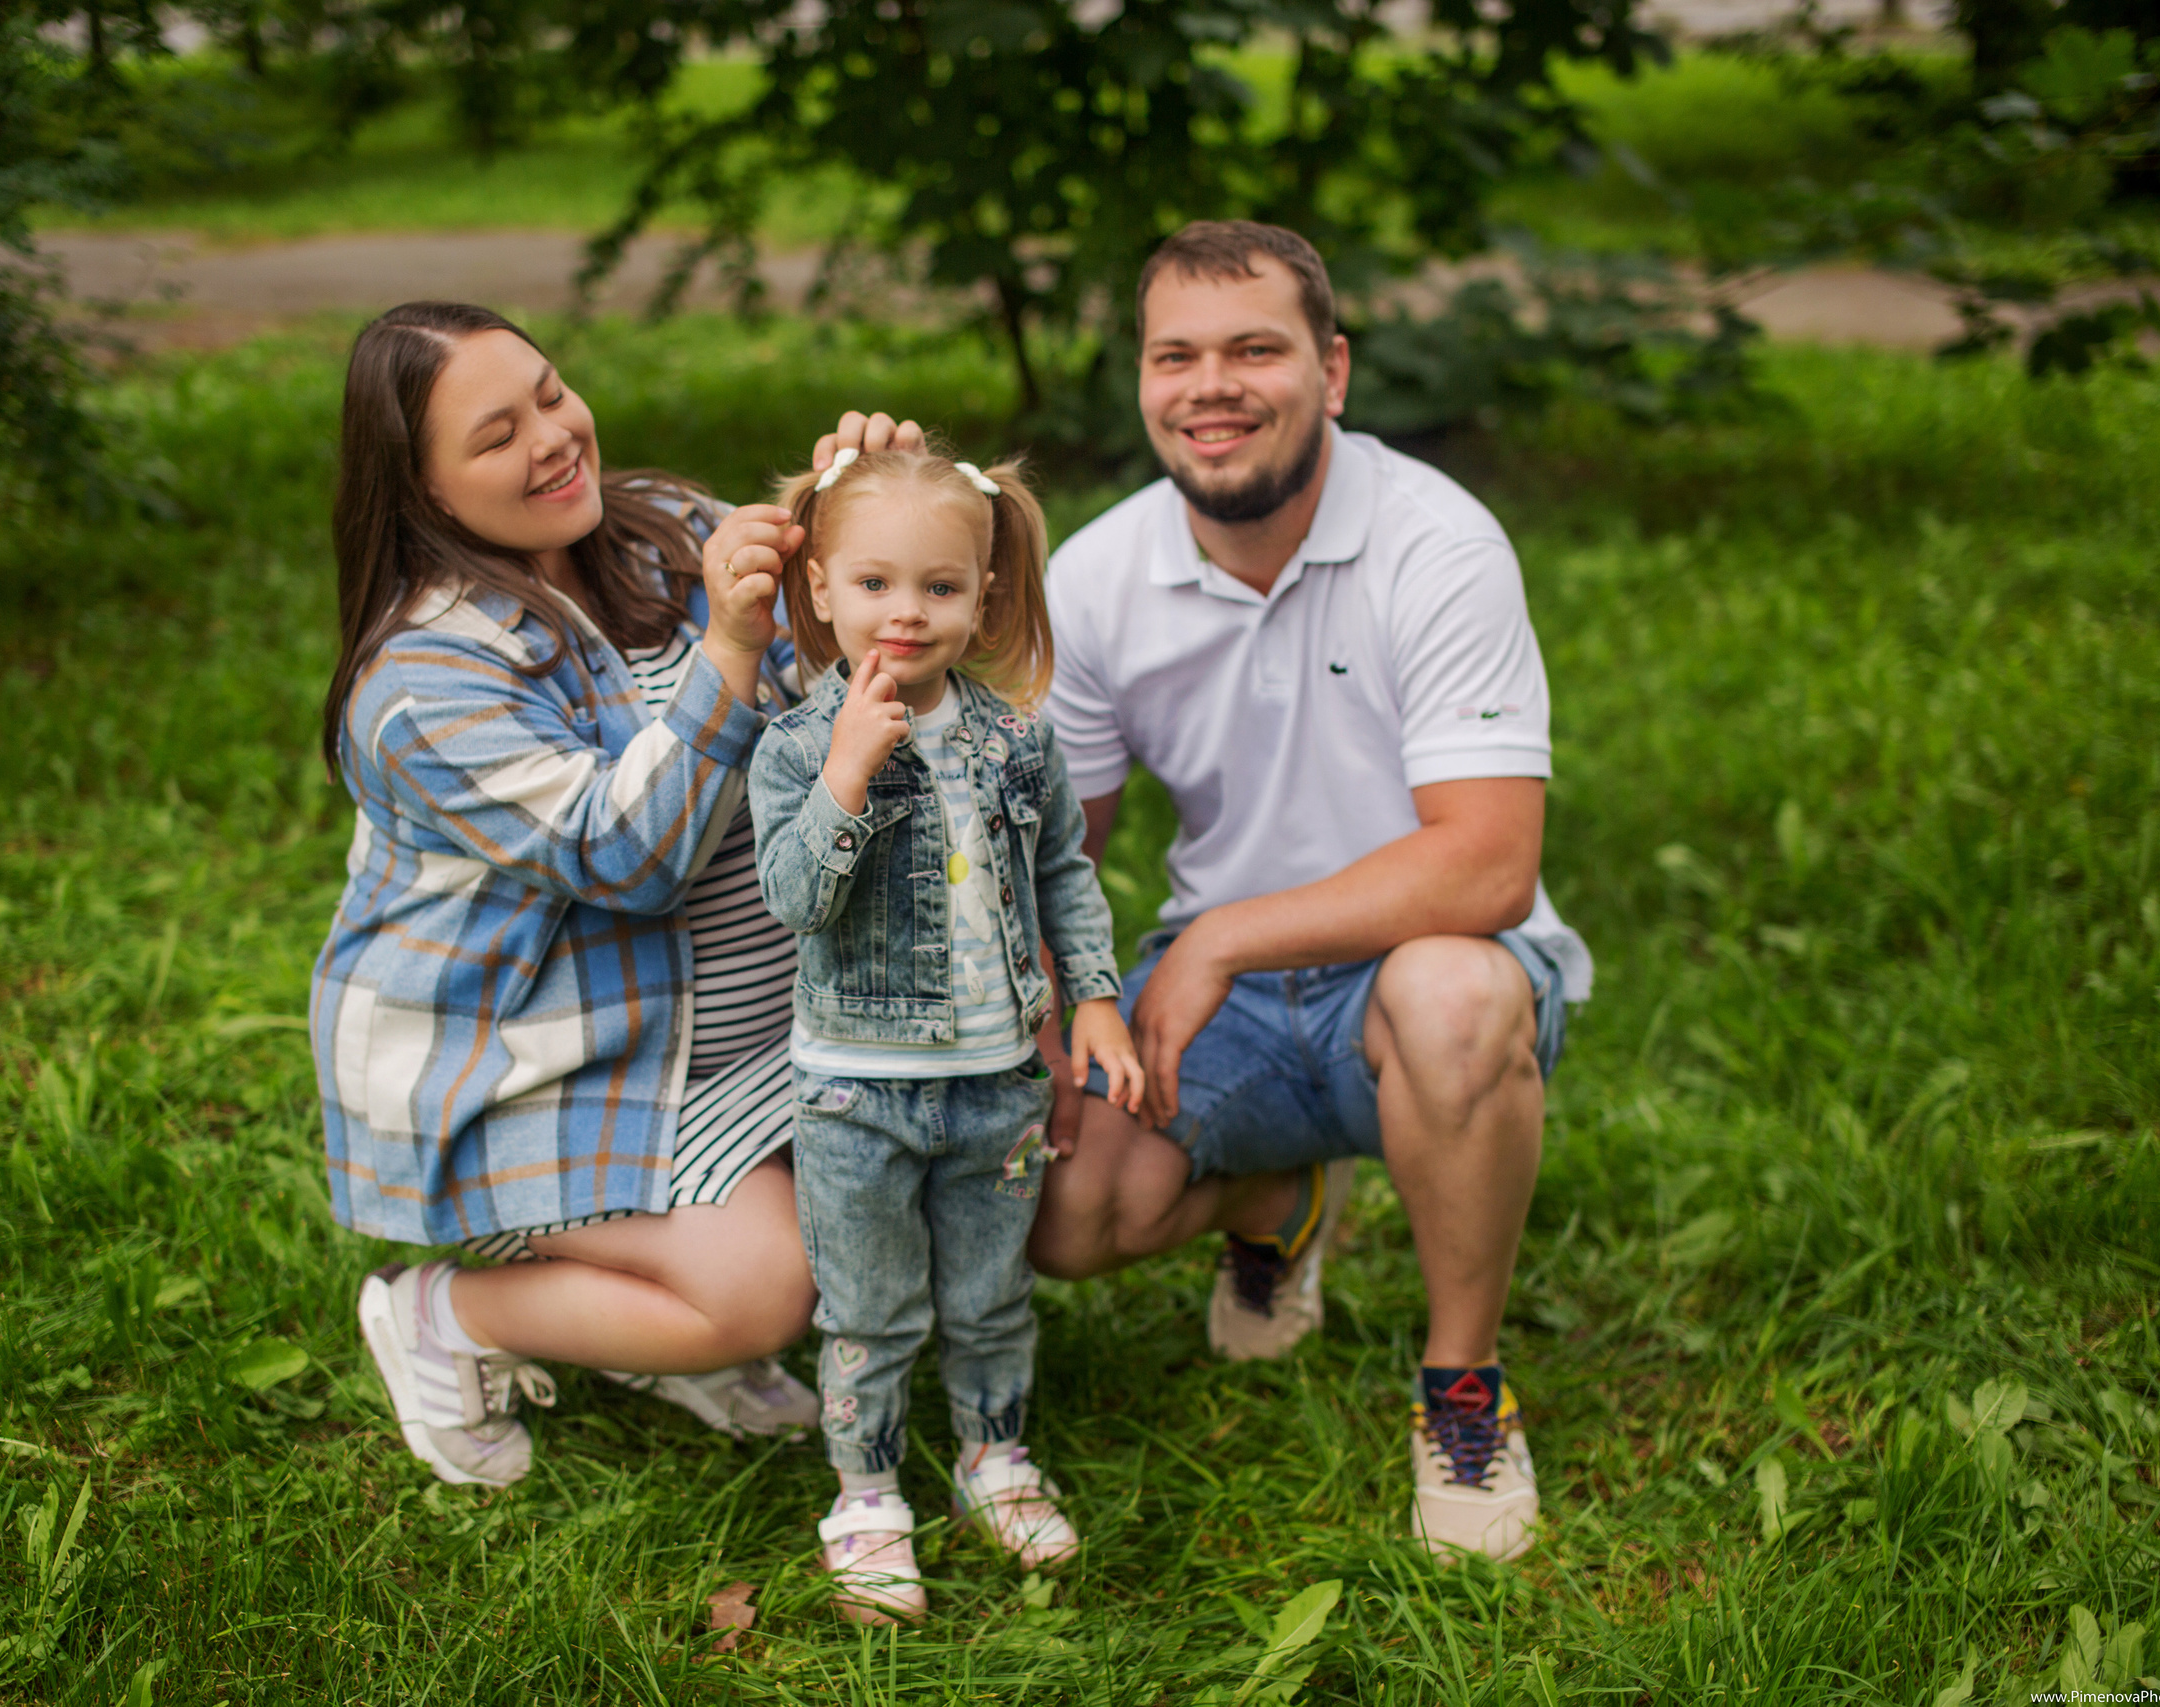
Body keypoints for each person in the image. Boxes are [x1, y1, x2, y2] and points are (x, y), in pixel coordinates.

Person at [812, 218, 1589, 1564]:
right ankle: (1277, 1202)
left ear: (1331, 372)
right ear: (1143, 380)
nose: (1210, 385)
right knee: (1049, 1202)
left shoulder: (1438, 543)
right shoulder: (1104, 575)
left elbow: (1488, 859)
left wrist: (1222, 934)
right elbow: (1048, 841)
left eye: (1254, 350)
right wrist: (1050, 1026)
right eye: (1176, 354)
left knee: (1451, 990)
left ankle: (1462, 1384)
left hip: (1418, 973)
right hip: (1212, 997)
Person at [311, 300, 832, 1489]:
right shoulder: (419, 684)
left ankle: (659, 1298)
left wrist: (860, 508)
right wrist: (732, 654)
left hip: (738, 1030)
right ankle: (450, 1315)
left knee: (912, 1182)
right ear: (427, 491)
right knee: (766, 1287)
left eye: (549, 394)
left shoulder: (667, 529)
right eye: (496, 436)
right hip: (546, 1064)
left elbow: (840, 671)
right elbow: (625, 858)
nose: (552, 438)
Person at [747, 446, 1142, 1623]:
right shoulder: (795, 747)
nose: (905, 614)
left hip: (997, 1084)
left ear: (985, 599)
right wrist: (849, 777)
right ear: (818, 591)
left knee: (986, 1294)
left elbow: (1064, 869)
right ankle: (865, 1494)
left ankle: (994, 1457)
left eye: (939, 587)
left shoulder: (1017, 738)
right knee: (868, 1310)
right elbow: (791, 900)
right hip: (855, 1095)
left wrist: (1099, 997)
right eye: (873, 585)